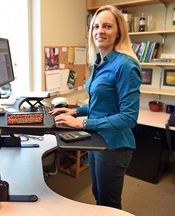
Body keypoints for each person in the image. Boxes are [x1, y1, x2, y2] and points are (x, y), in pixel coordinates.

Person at [49, 5, 141, 209]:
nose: (100, 31)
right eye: (96, 26)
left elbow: (129, 117)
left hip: (114, 145)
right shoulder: (100, 62)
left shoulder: (125, 66)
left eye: (107, 26)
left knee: (108, 203)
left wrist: (83, 123)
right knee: (98, 194)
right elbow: (100, 104)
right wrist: (75, 111)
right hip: (97, 139)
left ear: (118, 32)